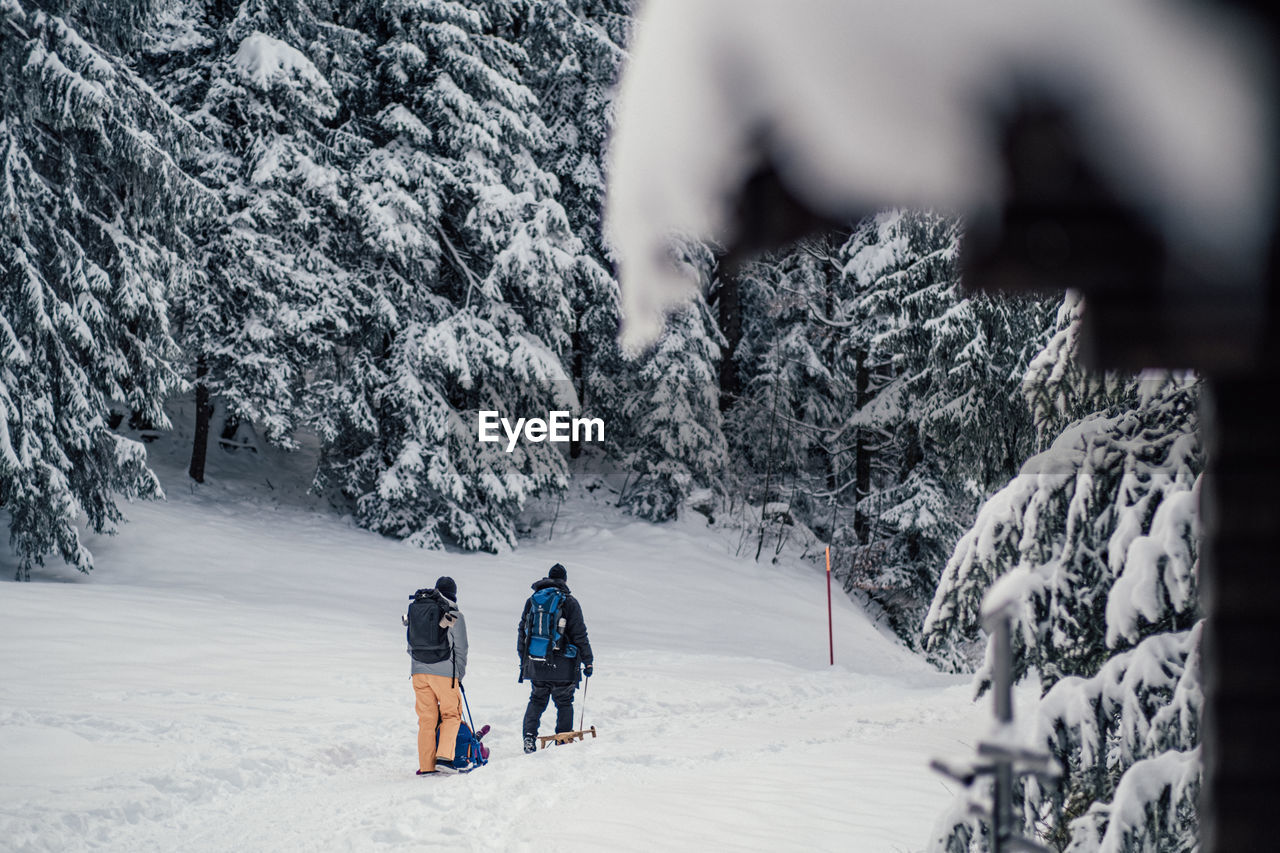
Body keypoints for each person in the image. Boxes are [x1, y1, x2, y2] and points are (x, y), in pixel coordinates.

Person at [517, 563, 593, 753]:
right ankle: (563, 740)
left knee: (536, 700)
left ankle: (529, 737)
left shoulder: (533, 600)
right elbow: (579, 634)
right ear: (565, 580)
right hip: (563, 665)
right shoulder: (569, 602)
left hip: (537, 661)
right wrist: (588, 660)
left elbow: (522, 632)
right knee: (564, 702)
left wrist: (524, 660)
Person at [407, 576, 468, 775]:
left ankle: (426, 766)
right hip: (444, 674)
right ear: (454, 594)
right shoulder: (453, 612)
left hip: (418, 673)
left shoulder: (419, 610)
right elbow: (461, 647)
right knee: (451, 715)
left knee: (426, 719)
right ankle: (444, 758)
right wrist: (458, 675)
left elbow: (410, 644)